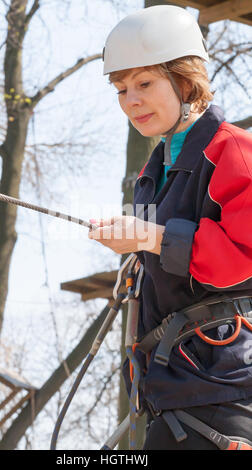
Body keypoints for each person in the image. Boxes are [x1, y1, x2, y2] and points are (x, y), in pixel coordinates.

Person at [88, 5, 252, 450]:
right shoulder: (153, 172)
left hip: (228, 392)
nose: (131, 100)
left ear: (185, 80)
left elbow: (243, 261)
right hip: (169, 392)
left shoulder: (233, 151)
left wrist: (149, 237)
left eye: (144, 83)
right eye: (121, 89)